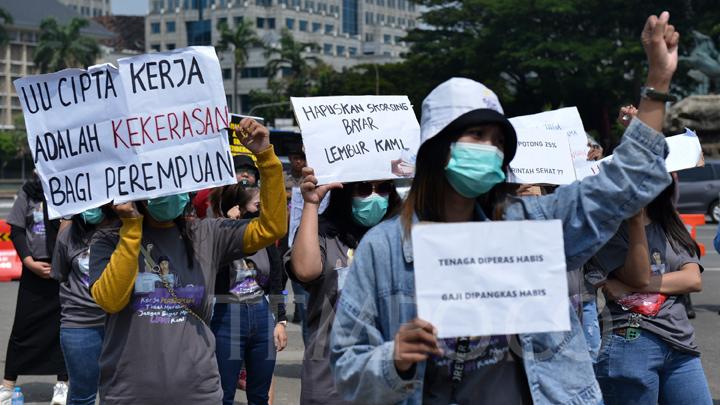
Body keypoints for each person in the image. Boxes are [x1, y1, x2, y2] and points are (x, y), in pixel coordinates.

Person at [329, 12, 680, 404]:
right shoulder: (383, 249)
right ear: (436, 146)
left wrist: (658, 83)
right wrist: (393, 359)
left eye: (498, 141)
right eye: (476, 135)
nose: (489, 148)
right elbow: (346, 367)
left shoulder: (534, 223)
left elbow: (622, 183)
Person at [88, 118, 287, 404]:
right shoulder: (108, 240)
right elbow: (110, 300)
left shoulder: (207, 234)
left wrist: (266, 158)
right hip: (129, 393)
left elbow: (272, 228)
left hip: (198, 392)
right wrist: (131, 226)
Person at [590, 178, 712, 405]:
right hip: (631, 341)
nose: (672, 177)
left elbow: (693, 279)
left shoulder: (669, 221)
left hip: (680, 343)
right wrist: (635, 222)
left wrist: (627, 286)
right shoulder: (609, 227)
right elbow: (640, 275)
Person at [287, 175, 402, 404]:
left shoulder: (400, 236)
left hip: (388, 376)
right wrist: (311, 203)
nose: (374, 196)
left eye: (383, 188)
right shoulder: (324, 233)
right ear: (344, 192)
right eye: (363, 188)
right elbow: (305, 271)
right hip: (330, 377)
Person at [210, 182, 288, 405]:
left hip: (261, 313)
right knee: (223, 394)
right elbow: (212, 268)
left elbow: (276, 280)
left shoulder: (264, 237)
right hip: (227, 314)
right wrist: (228, 227)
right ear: (240, 208)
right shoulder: (217, 233)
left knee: (259, 395)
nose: (262, 210)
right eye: (257, 205)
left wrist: (280, 320)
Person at [1, 174, 68, 405]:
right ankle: (7, 386)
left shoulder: (69, 188)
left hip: (63, 271)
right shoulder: (28, 192)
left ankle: (62, 384)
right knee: (22, 327)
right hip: (34, 270)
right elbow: (16, 230)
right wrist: (28, 262)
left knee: (65, 329)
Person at [51, 207, 117, 405]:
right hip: (79, 325)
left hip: (118, 324)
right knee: (82, 394)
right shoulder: (68, 234)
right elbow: (59, 273)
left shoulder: (125, 232)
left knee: (116, 393)